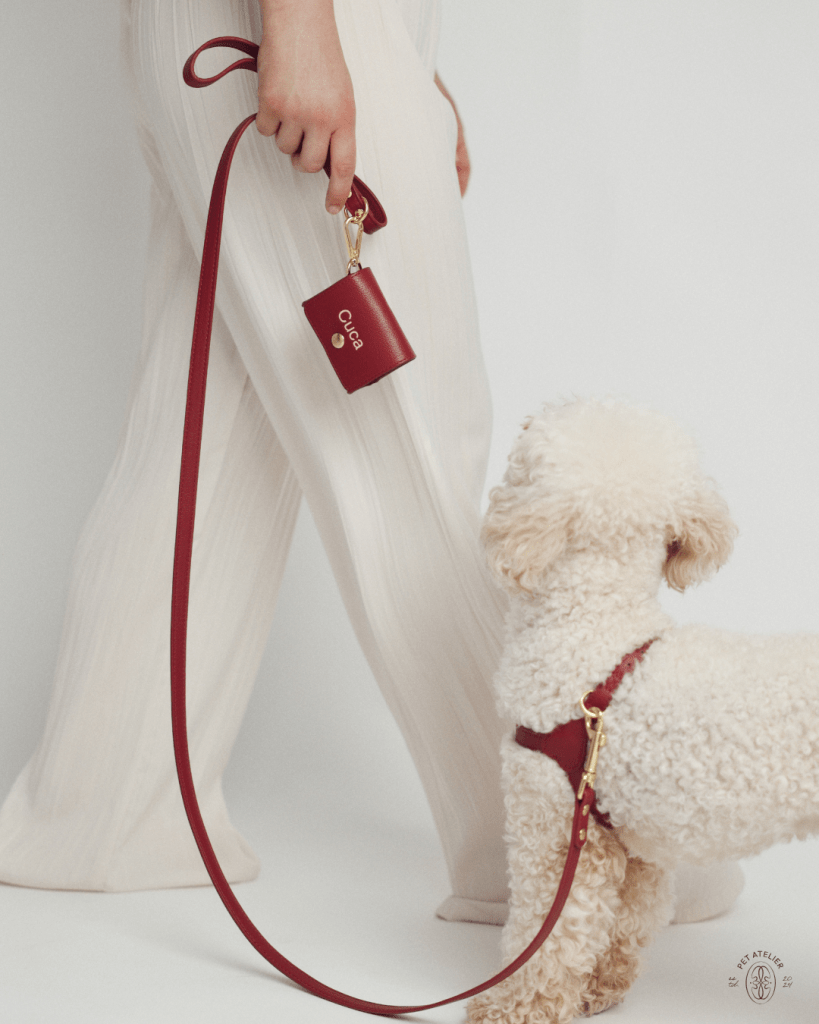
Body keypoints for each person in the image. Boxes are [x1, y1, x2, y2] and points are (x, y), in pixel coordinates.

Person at [0, 0, 740, 927]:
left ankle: (98, 812)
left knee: (211, 444)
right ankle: (568, 841)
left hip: (225, 29)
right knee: (411, 446)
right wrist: (308, 26)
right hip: (278, 18)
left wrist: (407, 56)